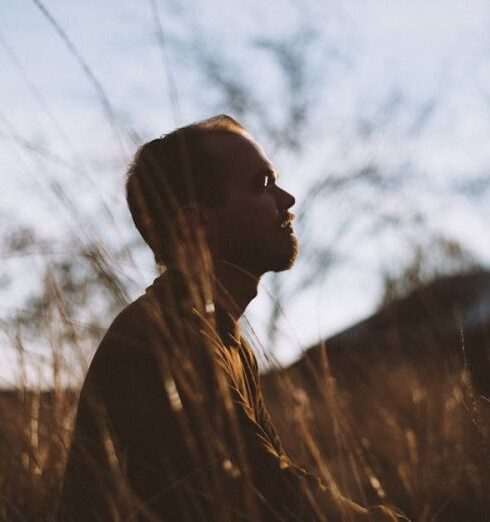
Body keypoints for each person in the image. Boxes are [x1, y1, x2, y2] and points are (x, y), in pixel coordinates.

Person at [58, 115, 401, 521]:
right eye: (262, 185)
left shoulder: (224, 337)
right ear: (195, 222)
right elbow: (266, 491)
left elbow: (274, 477)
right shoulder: (166, 337)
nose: (287, 200)